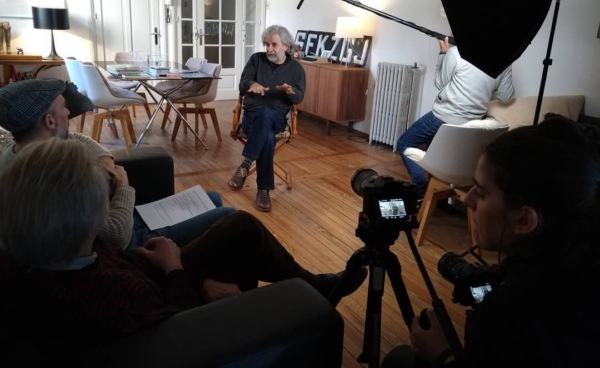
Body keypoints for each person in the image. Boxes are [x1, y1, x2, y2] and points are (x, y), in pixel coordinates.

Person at [0, 138, 368, 352]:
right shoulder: (116, 294)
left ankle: (314, 284)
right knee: (238, 244)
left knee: (239, 226)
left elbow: (115, 263)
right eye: (104, 196)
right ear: (89, 216)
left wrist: (182, 268)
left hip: (149, 271)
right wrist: (178, 271)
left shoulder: (39, 255)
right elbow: (182, 332)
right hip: (170, 295)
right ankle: (307, 295)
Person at [382, 117, 600, 367]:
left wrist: (443, 354)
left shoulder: (508, 312)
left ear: (524, 220)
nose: (467, 199)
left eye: (482, 192)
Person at [0, 78, 236, 250]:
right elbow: (117, 238)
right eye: (63, 107)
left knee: (213, 198)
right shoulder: (50, 177)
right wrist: (123, 186)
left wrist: (104, 159)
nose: (69, 111)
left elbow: (75, 137)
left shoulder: (20, 148)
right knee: (229, 215)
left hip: (119, 216)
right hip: (129, 237)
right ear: (50, 121)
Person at [396, 38, 514, 196]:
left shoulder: (456, 53)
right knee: (435, 154)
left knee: (404, 142)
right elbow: (506, 96)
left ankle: (422, 188)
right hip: (472, 123)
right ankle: (434, 192)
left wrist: (442, 54)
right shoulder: (504, 61)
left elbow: (440, 83)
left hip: (443, 117)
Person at [228, 25, 306, 212]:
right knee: (268, 137)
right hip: (252, 116)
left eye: (274, 44)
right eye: (266, 44)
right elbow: (242, 84)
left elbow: (299, 98)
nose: (269, 48)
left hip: (277, 118)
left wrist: (290, 92)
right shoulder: (256, 59)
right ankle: (264, 190)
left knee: (267, 116)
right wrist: (252, 84)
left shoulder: (296, 69)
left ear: (285, 46)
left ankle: (246, 163)